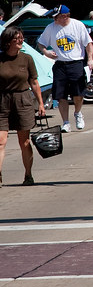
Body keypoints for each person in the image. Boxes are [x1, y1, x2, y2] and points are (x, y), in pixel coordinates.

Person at [36, 5, 93, 132]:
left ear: (65, 16)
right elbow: (41, 43)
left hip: (76, 62)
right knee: (60, 96)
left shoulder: (77, 25)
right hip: (60, 65)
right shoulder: (51, 28)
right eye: (55, 17)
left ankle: (78, 113)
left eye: (57, 17)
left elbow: (88, 43)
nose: (55, 19)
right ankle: (66, 122)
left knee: (78, 94)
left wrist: (90, 59)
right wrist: (46, 52)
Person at [0, 26, 45, 186]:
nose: (20, 41)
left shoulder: (27, 59)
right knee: (1, 141)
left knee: (24, 142)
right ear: (8, 41)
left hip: (23, 100)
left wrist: (40, 103)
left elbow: (34, 81)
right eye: (17, 38)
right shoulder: (1, 59)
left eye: (21, 38)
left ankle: (28, 175)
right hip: (2, 100)